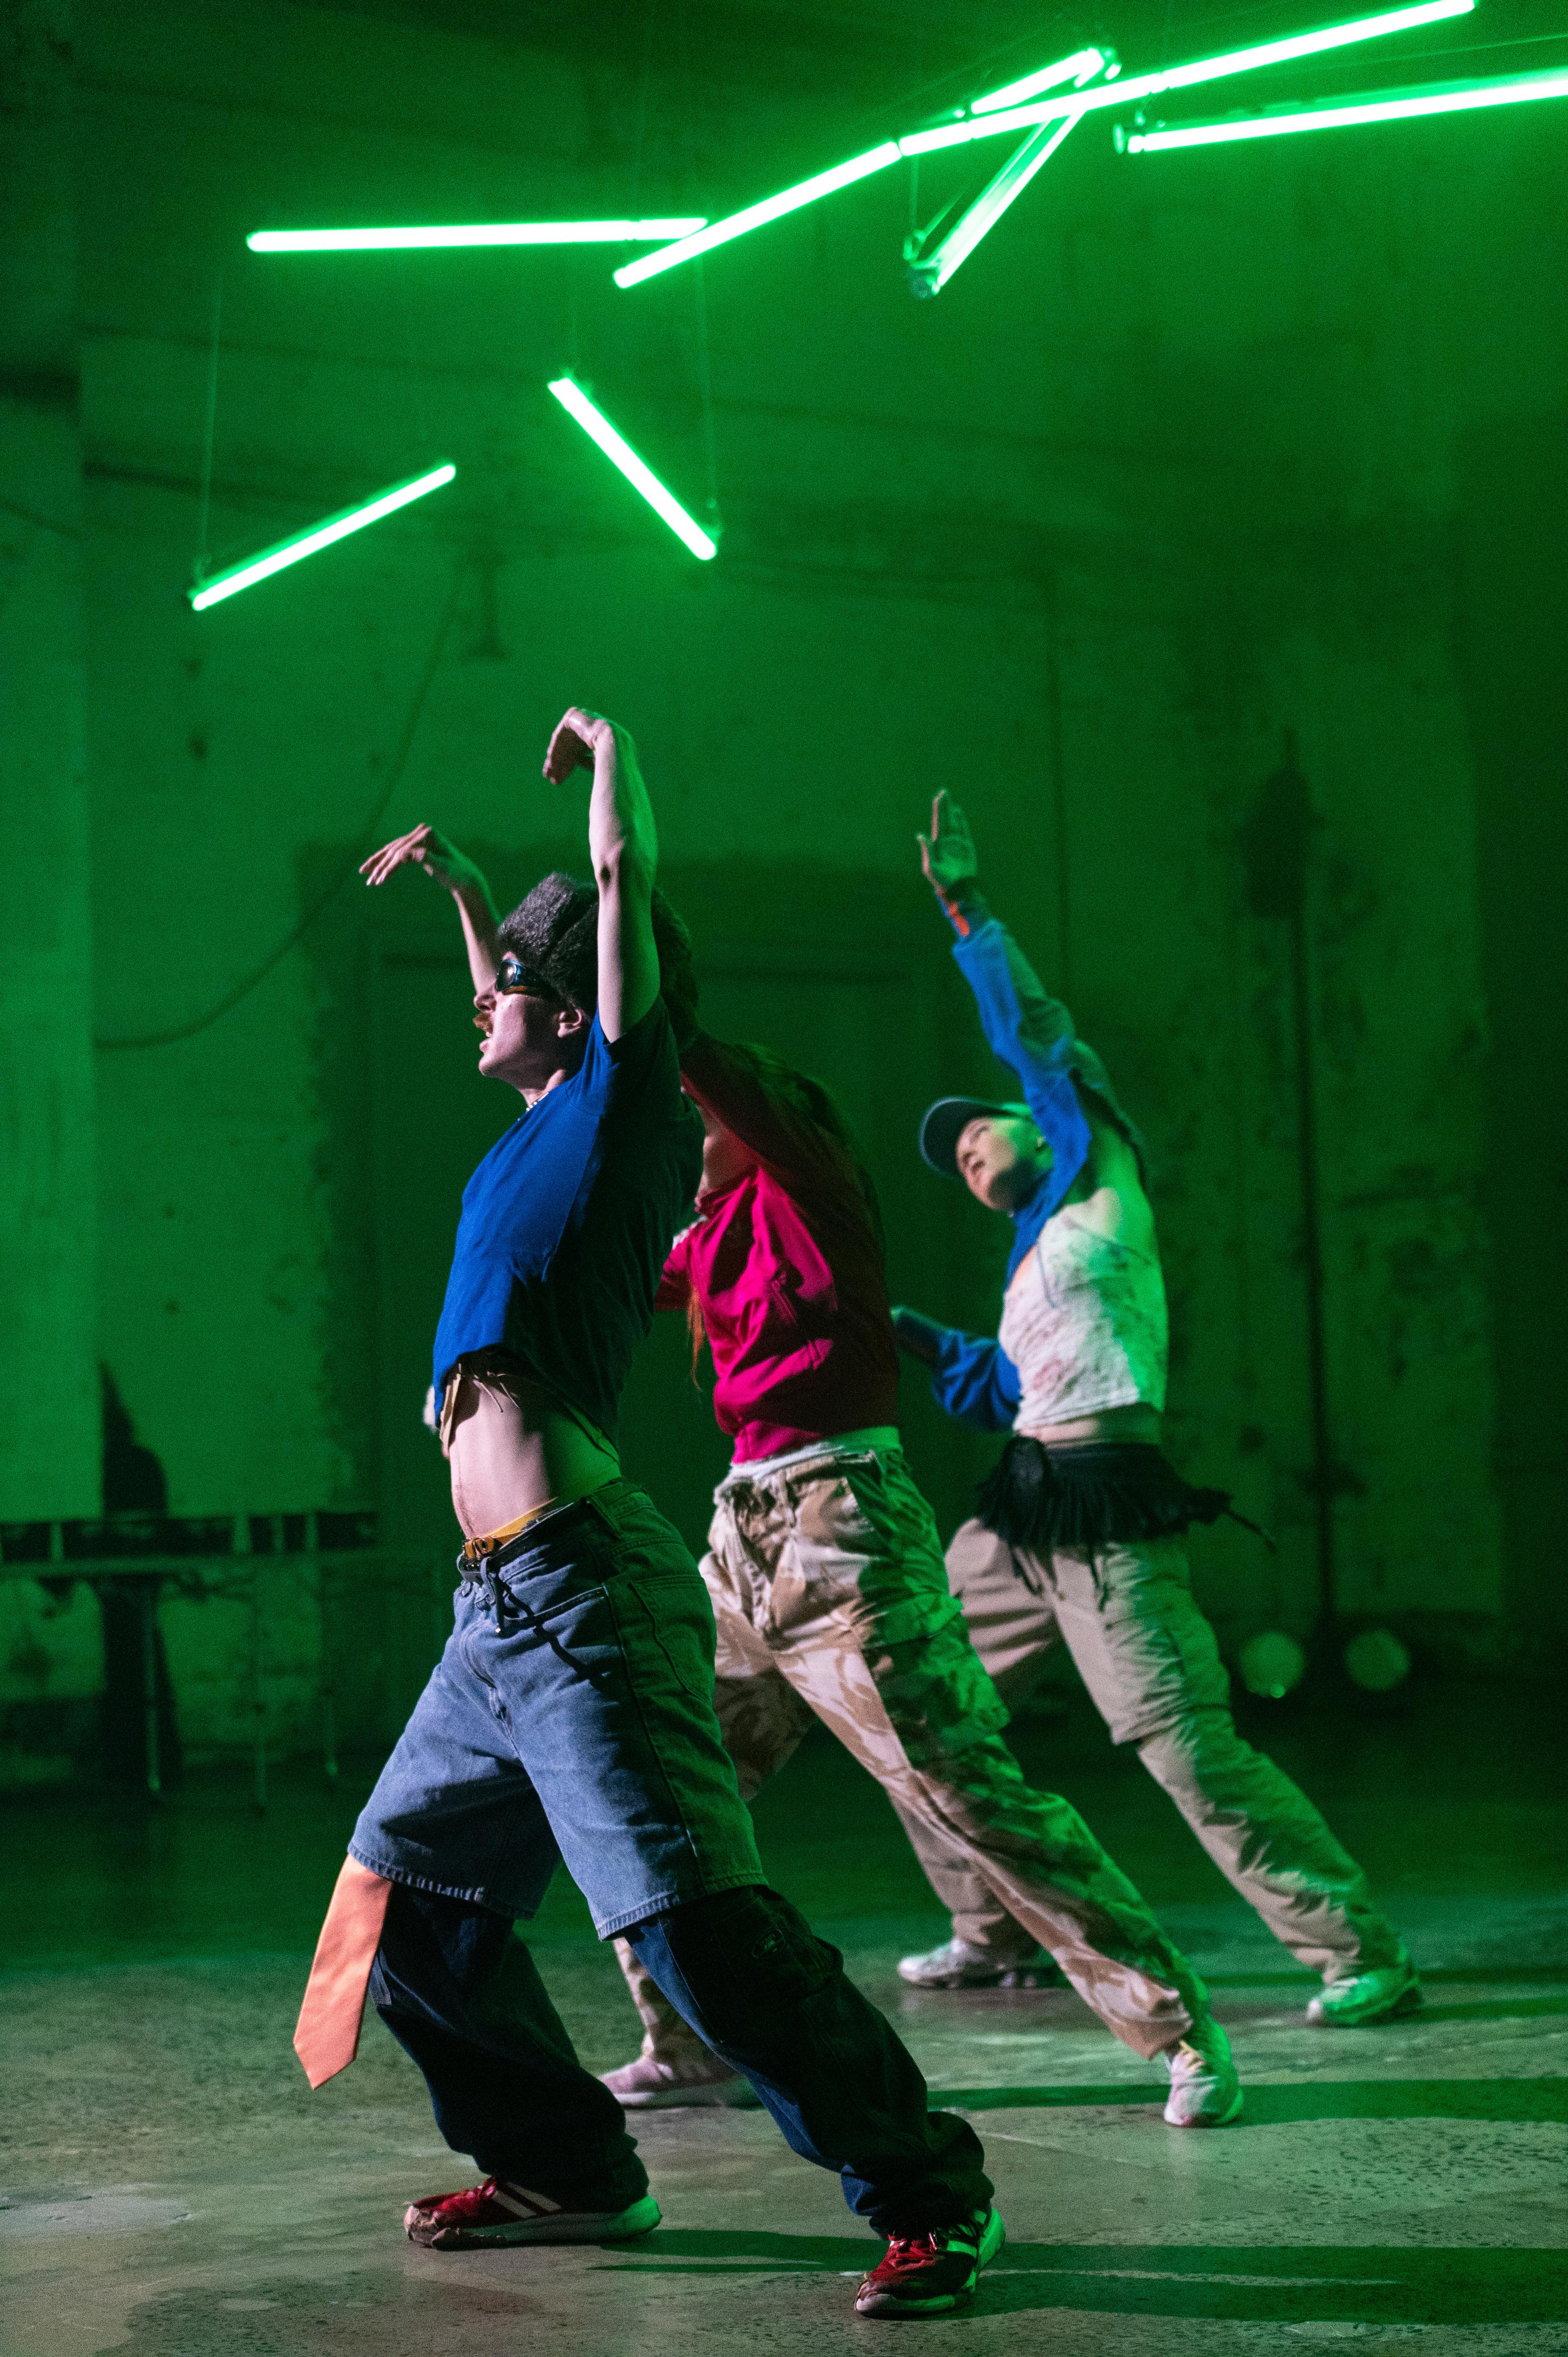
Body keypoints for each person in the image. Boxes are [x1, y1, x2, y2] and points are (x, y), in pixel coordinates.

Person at [290, 717, 1004, 2323]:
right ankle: (568, 2171)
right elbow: (518, 989)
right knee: (408, 1915)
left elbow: (618, 880)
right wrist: (470, 890)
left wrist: (609, 745)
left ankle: (930, 2190)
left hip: (585, 1594)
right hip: (492, 1610)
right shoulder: (534, 1129)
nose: (479, 1003)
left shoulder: (620, 1112)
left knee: (698, 1935)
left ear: (575, 1007)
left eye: (506, 984)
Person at [590, 1020, 1244, 2131]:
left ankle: (1176, 2023)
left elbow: (704, 1058)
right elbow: (596, 1273)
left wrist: (618, 970)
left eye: (699, 1122)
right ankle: (688, 2042)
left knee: (967, 1795)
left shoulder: (808, 1177)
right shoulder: (707, 1238)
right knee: (651, 1780)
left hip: (843, 1529)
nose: (685, 1137)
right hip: (741, 1539)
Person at [890, 790, 1420, 2031]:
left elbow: (1039, 1039)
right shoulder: (1031, 1267)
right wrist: (904, 1332)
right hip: (1020, 1509)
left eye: (979, 1129)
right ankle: (991, 1930)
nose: (966, 1151)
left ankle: (1356, 1946)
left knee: (1182, 1740)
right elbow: (1001, 1391)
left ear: (1043, 1123)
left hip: (1111, 1513)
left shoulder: (1101, 1177)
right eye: (953, 1158)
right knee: (915, 1704)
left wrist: (966, 909)